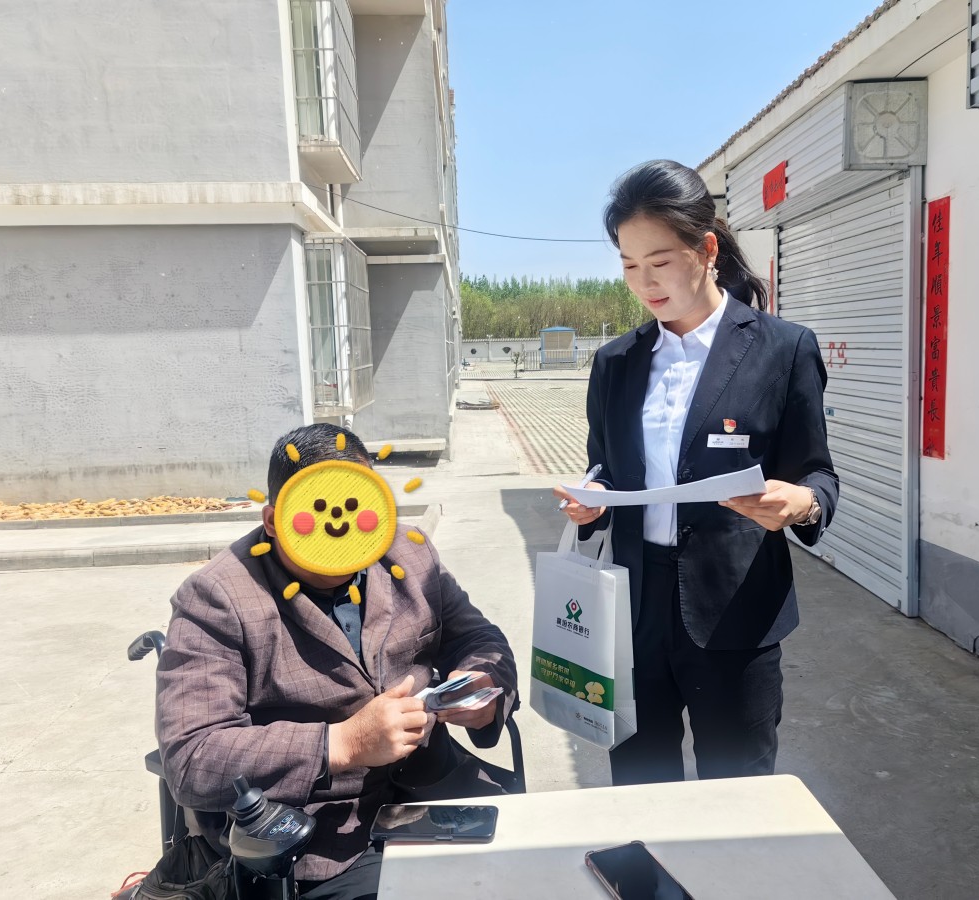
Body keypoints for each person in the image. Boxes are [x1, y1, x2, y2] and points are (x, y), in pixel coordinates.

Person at [554, 159, 838, 786]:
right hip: (633, 611)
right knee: (639, 785)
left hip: (735, 610)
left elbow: (818, 475)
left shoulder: (782, 349)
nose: (644, 282)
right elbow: (605, 468)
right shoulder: (616, 363)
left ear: (707, 250)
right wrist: (593, 496)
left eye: (660, 261)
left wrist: (801, 503)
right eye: (629, 265)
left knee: (737, 796)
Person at [156, 424, 516, 900]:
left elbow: (479, 637)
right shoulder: (218, 595)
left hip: (436, 789)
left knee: (545, 864)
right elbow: (190, 757)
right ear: (273, 520)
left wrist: (483, 687)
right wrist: (341, 743)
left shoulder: (409, 553)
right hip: (315, 838)